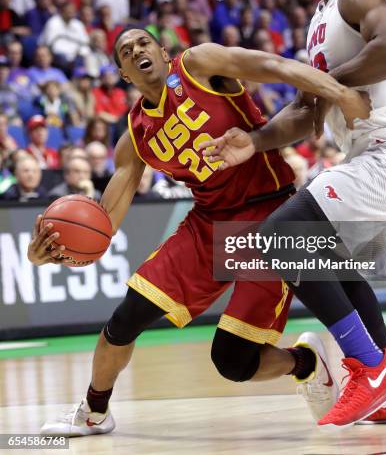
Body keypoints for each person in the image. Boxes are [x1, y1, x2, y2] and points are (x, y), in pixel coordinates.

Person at [28, 25, 368, 437]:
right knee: (127, 316)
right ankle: (94, 411)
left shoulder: (198, 65)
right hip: (208, 224)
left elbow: (273, 65)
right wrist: (51, 252)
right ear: (123, 75)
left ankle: (304, 363)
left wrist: (338, 93)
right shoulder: (136, 134)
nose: (137, 51)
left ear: (162, 50)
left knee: (233, 361)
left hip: (270, 218)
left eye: (143, 42)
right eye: (125, 51)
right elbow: (102, 225)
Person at [201, 0, 386, 429]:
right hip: (375, 154)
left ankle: (370, 367)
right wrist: (255, 139)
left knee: (281, 236)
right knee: (326, 259)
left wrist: (333, 85)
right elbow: (307, 111)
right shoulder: (320, 17)